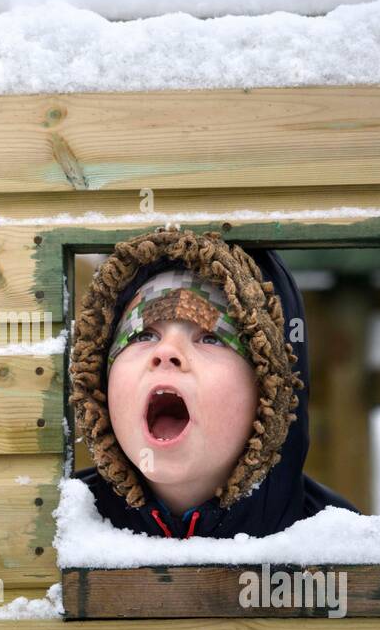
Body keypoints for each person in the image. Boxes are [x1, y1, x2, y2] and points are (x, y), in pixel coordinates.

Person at [69, 228, 357, 539]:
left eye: (211, 338)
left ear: (269, 392)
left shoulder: (342, 544)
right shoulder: (56, 528)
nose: (166, 353)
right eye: (142, 335)